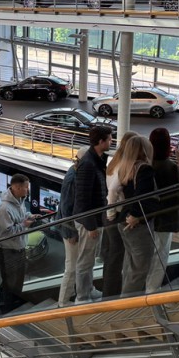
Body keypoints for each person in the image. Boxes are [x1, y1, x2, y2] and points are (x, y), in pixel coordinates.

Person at [146, 127, 179, 292]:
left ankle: (140, 290)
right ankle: (151, 290)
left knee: (147, 255)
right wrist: (178, 157)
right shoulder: (170, 168)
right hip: (165, 221)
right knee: (160, 255)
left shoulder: (146, 164)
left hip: (147, 219)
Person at [73, 126, 113, 304]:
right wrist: (91, 226)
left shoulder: (96, 160)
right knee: (85, 260)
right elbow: (82, 198)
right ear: (101, 141)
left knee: (89, 259)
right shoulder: (88, 164)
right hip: (89, 222)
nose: (111, 142)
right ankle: (81, 297)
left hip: (95, 219)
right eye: (109, 139)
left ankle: (89, 289)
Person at [115, 135, 160, 296]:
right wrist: (136, 215)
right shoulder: (144, 169)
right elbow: (143, 196)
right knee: (140, 269)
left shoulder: (125, 167)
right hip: (137, 223)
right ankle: (127, 306)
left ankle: (123, 300)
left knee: (130, 264)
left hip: (123, 221)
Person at [0, 173, 37, 314]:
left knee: (17, 281)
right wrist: (24, 224)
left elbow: (21, 217)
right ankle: (5, 311)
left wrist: (30, 217)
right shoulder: (4, 209)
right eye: (26, 187)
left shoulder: (20, 201)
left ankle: (12, 306)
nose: (28, 190)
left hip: (19, 248)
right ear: (17, 188)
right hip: (9, 251)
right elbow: (6, 233)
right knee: (9, 283)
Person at [102, 131, 138, 298]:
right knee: (116, 259)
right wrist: (111, 213)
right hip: (115, 214)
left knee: (110, 258)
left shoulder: (113, 161)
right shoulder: (123, 164)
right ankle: (111, 297)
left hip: (109, 215)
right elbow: (112, 191)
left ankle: (107, 294)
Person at [57, 147, 88, 307]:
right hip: (71, 230)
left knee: (78, 263)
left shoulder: (75, 172)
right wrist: (71, 233)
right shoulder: (72, 178)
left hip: (73, 227)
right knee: (72, 266)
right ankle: (62, 303)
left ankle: (81, 291)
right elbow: (66, 208)